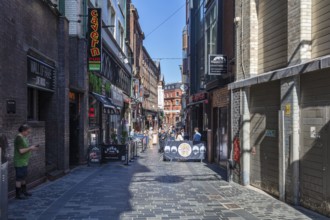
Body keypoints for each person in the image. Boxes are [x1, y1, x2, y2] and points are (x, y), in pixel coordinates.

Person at [14, 124, 39, 199]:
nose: (28, 133)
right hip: (19, 161)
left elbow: (26, 148)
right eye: (28, 132)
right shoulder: (19, 138)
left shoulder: (24, 138)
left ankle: (24, 192)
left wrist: (32, 148)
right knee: (19, 178)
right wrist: (30, 148)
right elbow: (21, 151)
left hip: (24, 161)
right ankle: (18, 195)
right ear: (23, 131)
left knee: (23, 177)